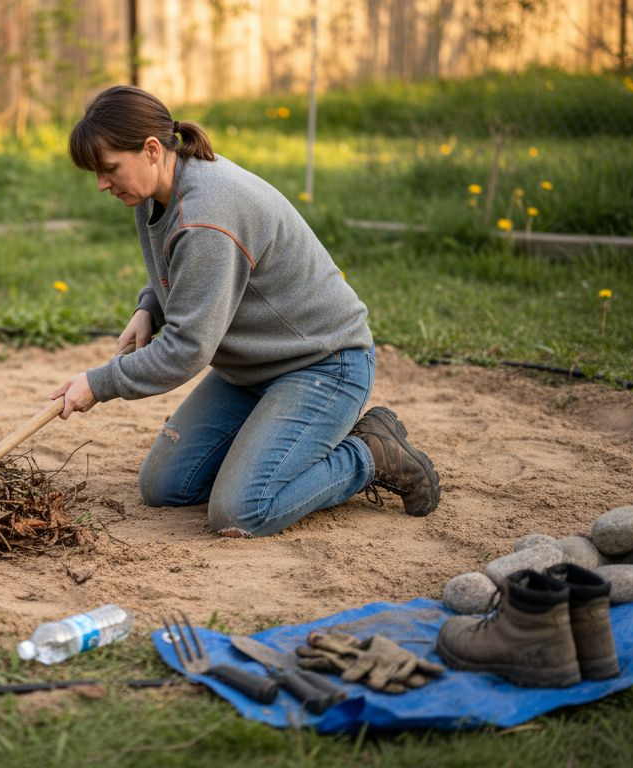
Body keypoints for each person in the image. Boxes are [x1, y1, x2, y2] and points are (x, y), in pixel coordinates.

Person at [49, 85, 440, 537]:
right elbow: (188, 272)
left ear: (151, 150)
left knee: (240, 512)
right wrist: (151, 306)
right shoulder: (157, 190)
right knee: (165, 486)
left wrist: (98, 385)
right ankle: (268, 446)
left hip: (324, 365)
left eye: (109, 168)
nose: (102, 184)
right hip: (253, 369)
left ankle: (370, 454)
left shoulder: (207, 213)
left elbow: (187, 350)